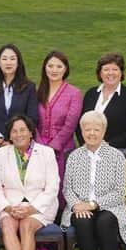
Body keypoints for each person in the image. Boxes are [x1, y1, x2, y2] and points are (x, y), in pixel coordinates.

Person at [0, 115, 59, 250]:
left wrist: (32, 209)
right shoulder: (1, 153)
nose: (18, 134)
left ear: (30, 132)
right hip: (10, 205)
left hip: (39, 206)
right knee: (7, 225)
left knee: (26, 225)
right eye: (14, 131)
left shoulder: (46, 152)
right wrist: (7, 207)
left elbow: (53, 186)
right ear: (10, 136)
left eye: (22, 130)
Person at [62, 111, 126, 250]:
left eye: (96, 129)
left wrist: (93, 205)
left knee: (105, 222)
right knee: (82, 221)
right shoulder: (74, 156)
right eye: (87, 129)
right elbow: (67, 188)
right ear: (82, 131)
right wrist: (77, 205)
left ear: (104, 131)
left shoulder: (116, 156)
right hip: (80, 206)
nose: (91, 133)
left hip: (110, 206)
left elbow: (120, 191)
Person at [35, 51, 81, 201]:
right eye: (50, 66)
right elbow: (32, 119)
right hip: (38, 148)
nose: (54, 70)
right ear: (45, 68)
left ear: (65, 69)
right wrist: (40, 144)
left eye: (59, 66)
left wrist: (54, 145)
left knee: (61, 186)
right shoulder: (38, 91)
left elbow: (71, 123)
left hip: (62, 149)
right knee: (39, 185)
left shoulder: (74, 93)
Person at [78, 52, 126, 153]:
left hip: (119, 152)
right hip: (89, 150)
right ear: (100, 73)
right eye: (106, 69)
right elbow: (80, 123)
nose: (110, 73)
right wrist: (86, 143)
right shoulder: (91, 94)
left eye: (115, 69)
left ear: (121, 72)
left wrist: (106, 146)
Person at [0, 44, 38, 151]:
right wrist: (0, 140)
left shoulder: (29, 87)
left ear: (18, 63)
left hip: (21, 145)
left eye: (12, 59)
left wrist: (16, 139)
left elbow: (32, 117)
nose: (8, 62)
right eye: (4, 58)